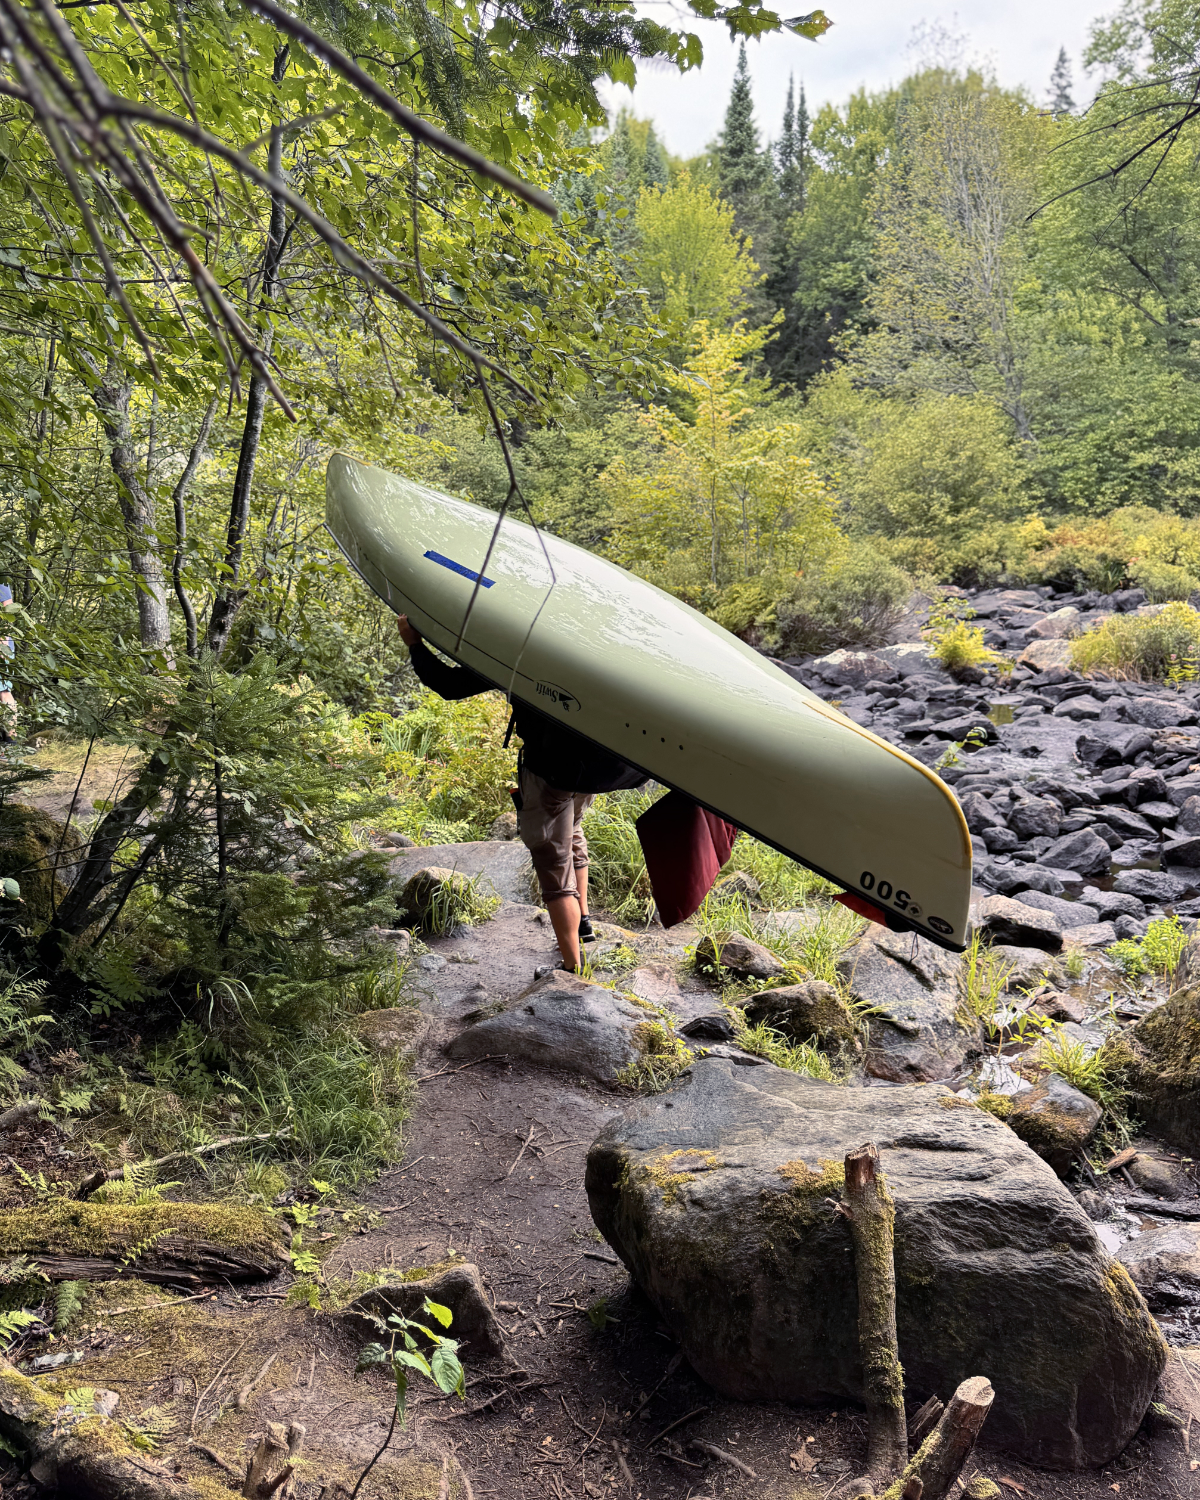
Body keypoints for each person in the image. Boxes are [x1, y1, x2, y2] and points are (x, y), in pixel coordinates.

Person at [395, 615, 645, 973]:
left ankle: (572, 967)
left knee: (551, 860)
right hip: (593, 770)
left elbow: (448, 684)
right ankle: (583, 922)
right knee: (572, 829)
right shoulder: (590, 651)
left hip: (550, 772)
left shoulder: (521, 656)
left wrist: (414, 644)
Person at [0, 585, 15, 743]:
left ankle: (11, 740)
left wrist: (3, 643)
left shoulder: (2, 583)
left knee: (3, 691)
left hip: (2, 645)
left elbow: (8, 611)